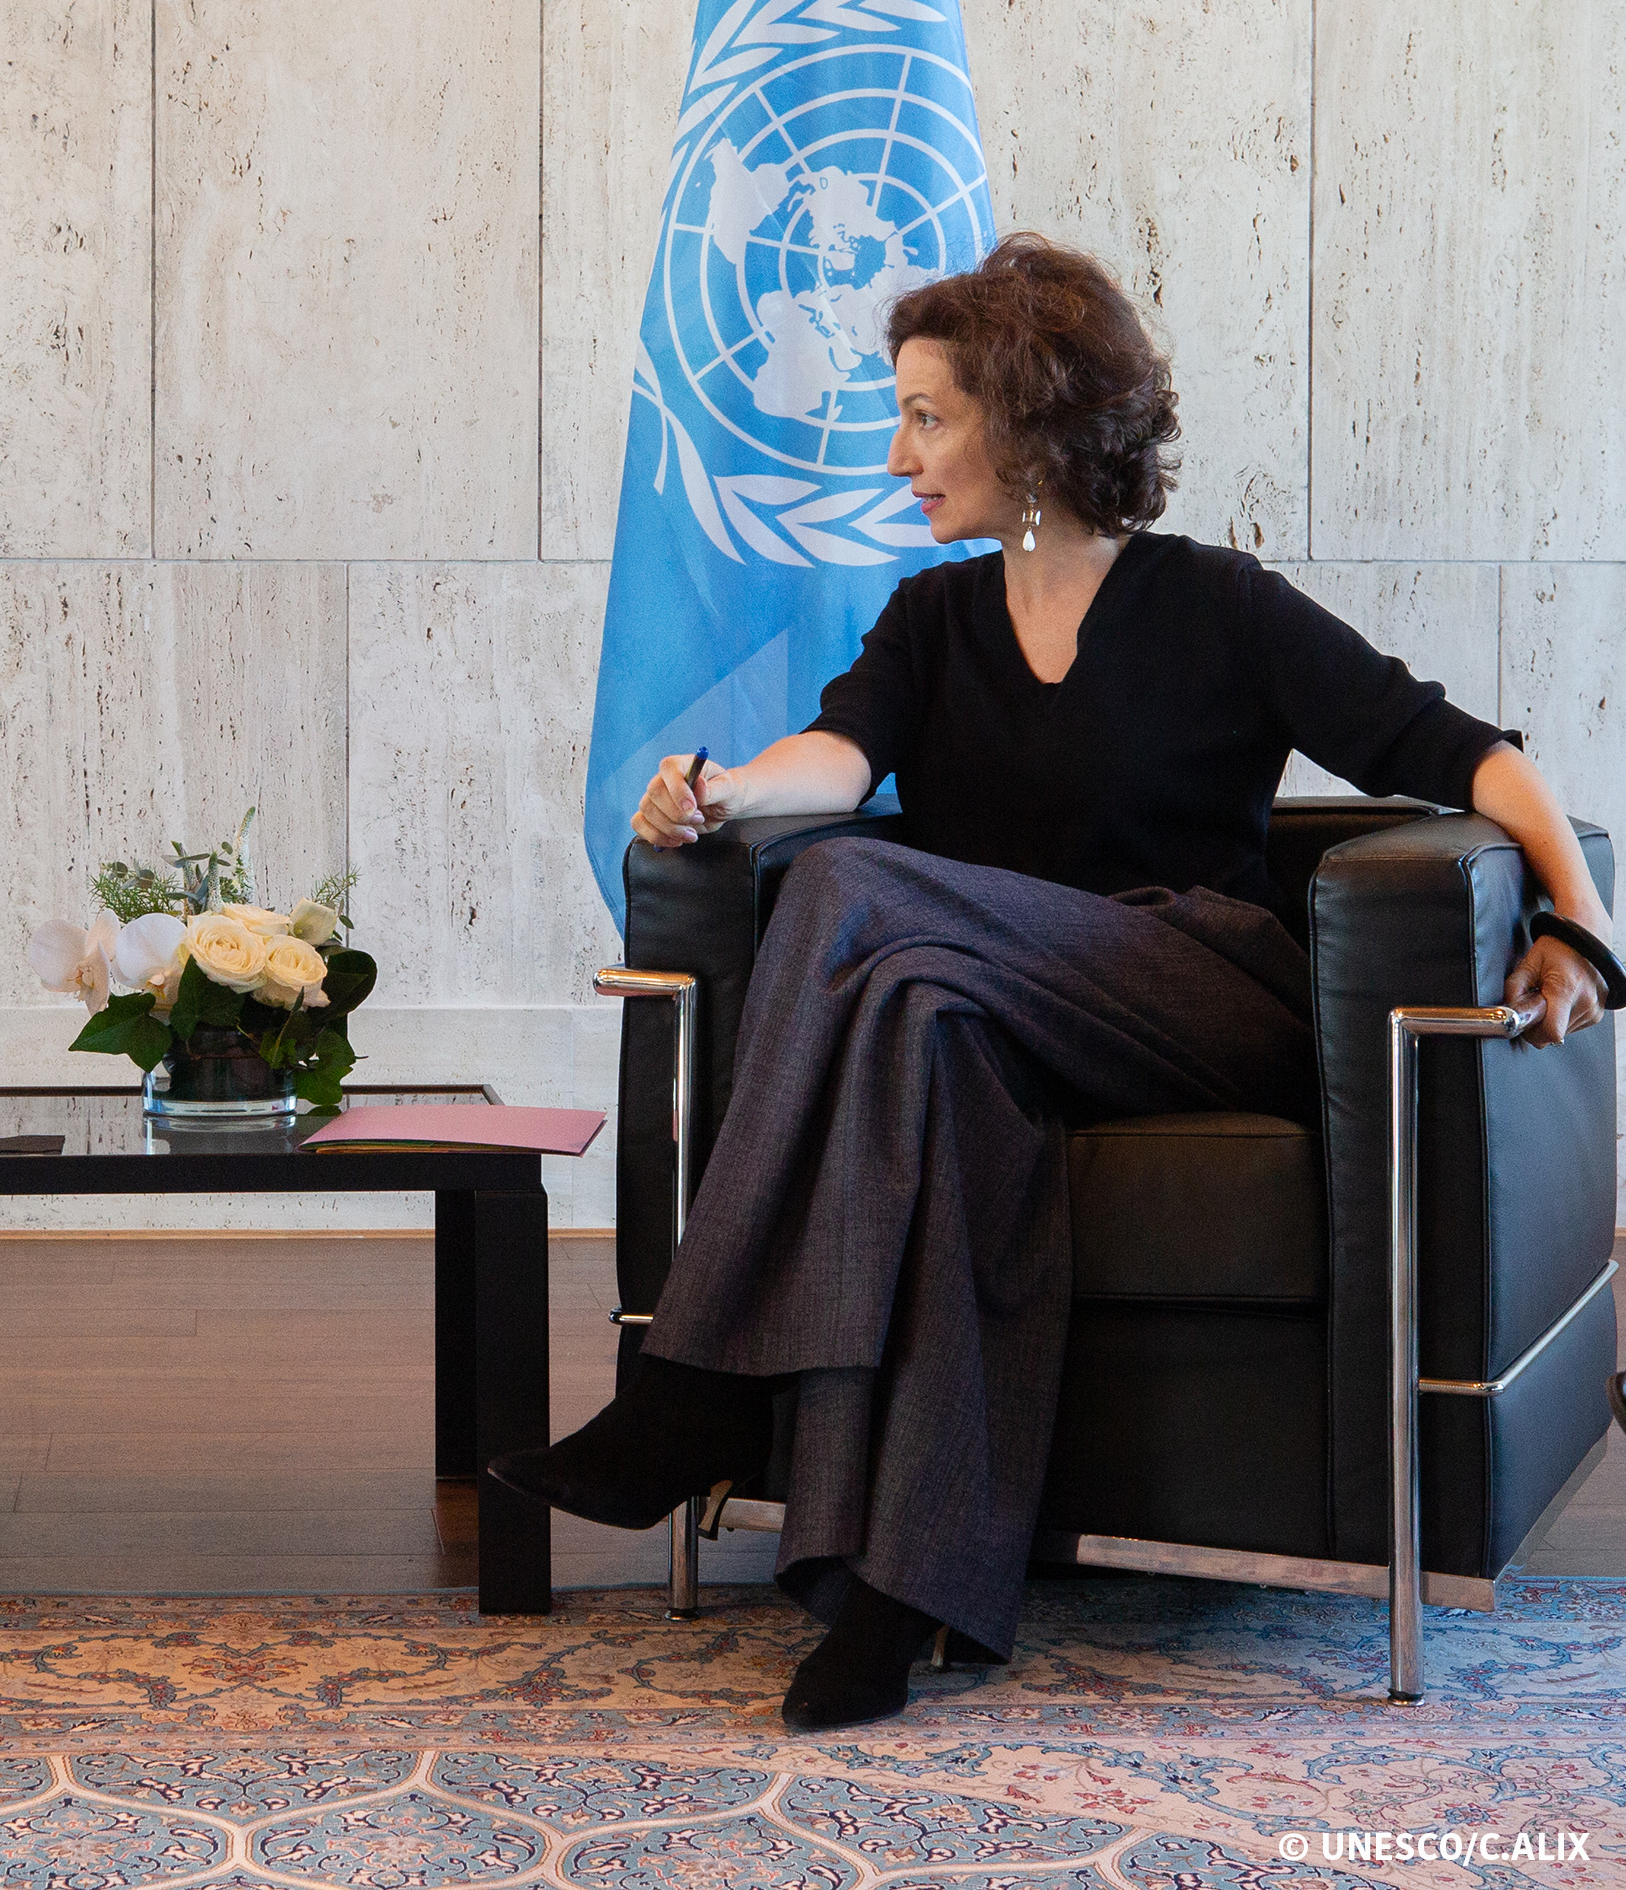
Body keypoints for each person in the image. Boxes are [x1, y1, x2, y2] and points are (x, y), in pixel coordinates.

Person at [491, 233, 1617, 1733]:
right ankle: (893, 1594)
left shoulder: (1218, 603)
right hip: (981, 1004)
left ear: (1025, 420)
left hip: (1196, 990)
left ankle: (692, 1382)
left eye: (927, 416)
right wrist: (716, 791)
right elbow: (836, 758)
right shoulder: (931, 620)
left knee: (846, 892)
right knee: (916, 1031)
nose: (897, 453)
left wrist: (1580, 925)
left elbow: (1462, 752)